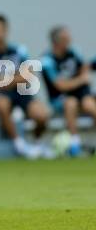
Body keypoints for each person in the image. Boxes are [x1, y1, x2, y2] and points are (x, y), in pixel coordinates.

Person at [0, 14, 50, 158]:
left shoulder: (19, 50)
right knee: (2, 105)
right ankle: (19, 144)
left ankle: (37, 144)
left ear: (6, 30)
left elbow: (28, 74)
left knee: (42, 114)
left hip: (22, 92)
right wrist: (15, 77)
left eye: (0, 29)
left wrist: (4, 80)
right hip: (0, 94)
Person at [41, 26, 96, 156]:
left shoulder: (73, 52)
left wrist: (83, 76)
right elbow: (60, 86)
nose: (69, 41)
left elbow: (83, 67)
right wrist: (81, 80)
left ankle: (91, 142)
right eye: (65, 38)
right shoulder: (47, 60)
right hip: (59, 98)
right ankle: (75, 143)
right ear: (57, 42)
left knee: (89, 104)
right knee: (70, 103)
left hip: (80, 93)